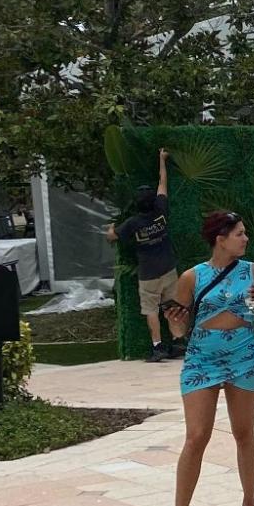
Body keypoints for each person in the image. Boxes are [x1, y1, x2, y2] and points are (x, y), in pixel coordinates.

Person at [153, 211, 254, 506]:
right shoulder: (193, 277)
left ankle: (249, 502)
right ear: (220, 239)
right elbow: (179, 330)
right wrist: (174, 321)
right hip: (202, 358)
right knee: (195, 436)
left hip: (244, 356)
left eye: (244, 233)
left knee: (243, 433)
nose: (245, 238)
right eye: (239, 233)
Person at [106, 149, 184, 362]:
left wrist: (110, 228)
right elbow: (162, 184)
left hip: (148, 274)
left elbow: (113, 237)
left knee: (151, 309)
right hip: (168, 268)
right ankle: (178, 342)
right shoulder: (161, 210)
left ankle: (157, 347)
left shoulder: (133, 223)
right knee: (171, 306)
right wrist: (161, 160)